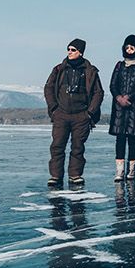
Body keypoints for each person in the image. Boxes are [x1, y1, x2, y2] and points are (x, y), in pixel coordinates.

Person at [43, 38, 103, 189]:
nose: (69, 52)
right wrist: (53, 109)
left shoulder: (90, 71)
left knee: (78, 147)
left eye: (73, 50)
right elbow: (48, 88)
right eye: (68, 49)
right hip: (61, 114)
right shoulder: (59, 69)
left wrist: (90, 113)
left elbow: (98, 92)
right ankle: (56, 176)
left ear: (80, 52)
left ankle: (75, 175)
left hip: (81, 115)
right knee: (57, 146)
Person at [107, 34, 135, 183]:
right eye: (127, 48)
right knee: (120, 139)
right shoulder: (119, 65)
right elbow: (113, 85)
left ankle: (131, 171)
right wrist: (119, 98)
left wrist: (129, 98)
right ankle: (119, 171)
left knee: (132, 139)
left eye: (132, 48)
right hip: (119, 108)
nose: (130, 50)